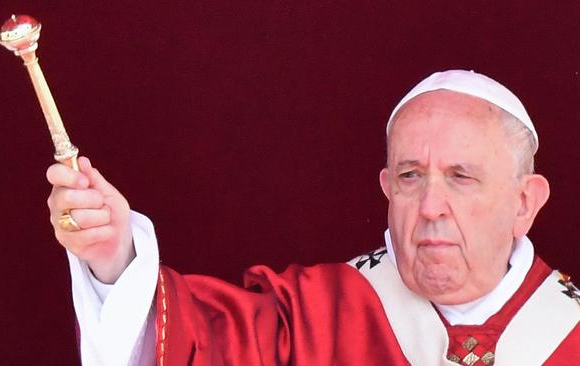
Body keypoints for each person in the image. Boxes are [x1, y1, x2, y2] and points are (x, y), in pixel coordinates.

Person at [46, 70, 579, 365]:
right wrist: (114, 257)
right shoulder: (318, 316)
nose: (431, 206)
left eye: (462, 177)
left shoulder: (568, 333)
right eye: (411, 177)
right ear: (387, 189)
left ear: (524, 202)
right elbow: (197, 345)